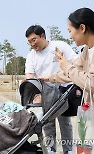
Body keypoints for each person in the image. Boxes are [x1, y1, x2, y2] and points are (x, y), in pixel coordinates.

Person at [39, 8, 94, 154]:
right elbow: (72, 73)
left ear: (82, 28)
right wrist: (49, 78)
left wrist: (66, 65)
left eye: (70, 31)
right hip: (91, 118)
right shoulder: (88, 50)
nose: (70, 36)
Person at [25, 25, 78, 154]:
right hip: (45, 92)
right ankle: (51, 149)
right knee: (47, 123)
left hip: (63, 89)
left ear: (42, 35)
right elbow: (30, 75)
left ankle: (68, 150)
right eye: (29, 42)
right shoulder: (31, 56)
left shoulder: (60, 46)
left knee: (65, 122)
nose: (32, 44)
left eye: (34, 40)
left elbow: (76, 61)